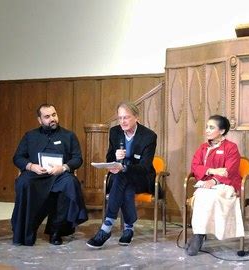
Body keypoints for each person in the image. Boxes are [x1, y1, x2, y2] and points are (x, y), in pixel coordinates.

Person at [11, 103, 88, 246]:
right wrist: (31, 166)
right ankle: (25, 231)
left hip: (59, 175)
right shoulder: (30, 136)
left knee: (70, 183)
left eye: (54, 115)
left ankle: (56, 231)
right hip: (36, 175)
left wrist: (64, 167)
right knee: (23, 182)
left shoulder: (69, 135)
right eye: (47, 117)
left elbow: (77, 158)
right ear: (40, 120)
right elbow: (18, 157)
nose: (52, 119)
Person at [86, 101, 157, 249]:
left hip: (142, 178)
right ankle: (128, 229)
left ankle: (107, 227)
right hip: (122, 179)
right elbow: (109, 159)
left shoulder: (149, 136)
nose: (122, 122)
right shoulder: (115, 132)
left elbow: (144, 167)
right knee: (124, 183)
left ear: (136, 117)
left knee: (123, 177)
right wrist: (115, 159)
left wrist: (123, 167)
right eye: (120, 118)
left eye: (126, 117)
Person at [185, 115, 244, 256]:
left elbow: (230, 170)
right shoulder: (203, 148)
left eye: (211, 127)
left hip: (226, 184)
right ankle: (199, 234)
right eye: (207, 127)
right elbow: (195, 166)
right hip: (205, 183)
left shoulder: (231, 147)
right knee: (200, 196)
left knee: (214, 197)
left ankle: (200, 234)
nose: (207, 130)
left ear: (222, 131)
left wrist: (214, 180)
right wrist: (212, 170)